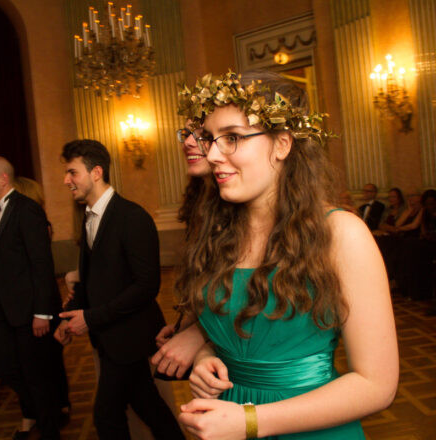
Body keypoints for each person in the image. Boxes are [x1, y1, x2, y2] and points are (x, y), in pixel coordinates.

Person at [174, 70, 398, 439]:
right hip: (227, 420)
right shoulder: (217, 234)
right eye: (210, 139)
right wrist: (206, 358)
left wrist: (249, 422)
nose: (212, 154)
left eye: (231, 138)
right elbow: (239, 329)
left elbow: (377, 385)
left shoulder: (342, 234)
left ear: (282, 144)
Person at [53, 140, 184, 440]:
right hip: (111, 337)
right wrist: (68, 319)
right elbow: (91, 280)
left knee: (107, 416)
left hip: (130, 338)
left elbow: (147, 286)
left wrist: (92, 318)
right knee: (149, 406)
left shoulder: (132, 217)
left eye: (72, 172)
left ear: (96, 172)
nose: (66, 181)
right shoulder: (88, 217)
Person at [0, 157, 64, 439]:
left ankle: (50, 431)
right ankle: (39, 413)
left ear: (2, 179)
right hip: (2, 310)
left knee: (36, 377)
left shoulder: (27, 210)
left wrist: (42, 313)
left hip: (27, 312)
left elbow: (41, 265)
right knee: (7, 367)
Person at [151, 121, 212, 379]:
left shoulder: (243, 204)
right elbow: (206, 282)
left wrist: (199, 335)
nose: (187, 141)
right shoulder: (201, 204)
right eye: (186, 134)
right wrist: (184, 325)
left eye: (201, 134)